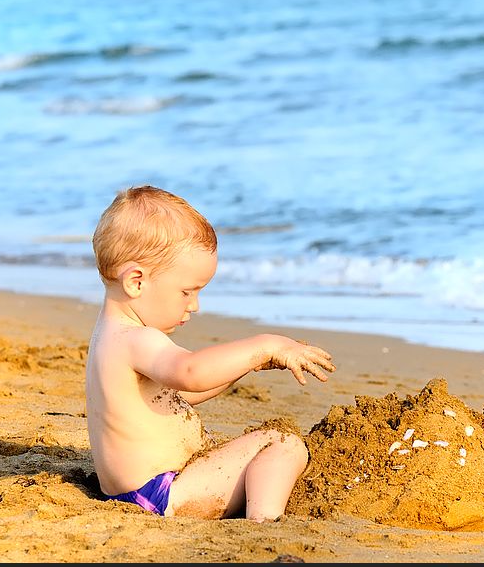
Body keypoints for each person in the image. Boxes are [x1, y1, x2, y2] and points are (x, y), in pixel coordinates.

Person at [85, 185, 336, 521]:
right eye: (186, 292)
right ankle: (264, 522)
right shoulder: (136, 339)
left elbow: (175, 396)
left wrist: (248, 365)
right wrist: (264, 344)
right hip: (163, 495)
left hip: (136, 494)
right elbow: (191, 373)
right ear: (136, 282)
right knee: (282, 444)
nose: (195, 305)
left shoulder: (110, 335)